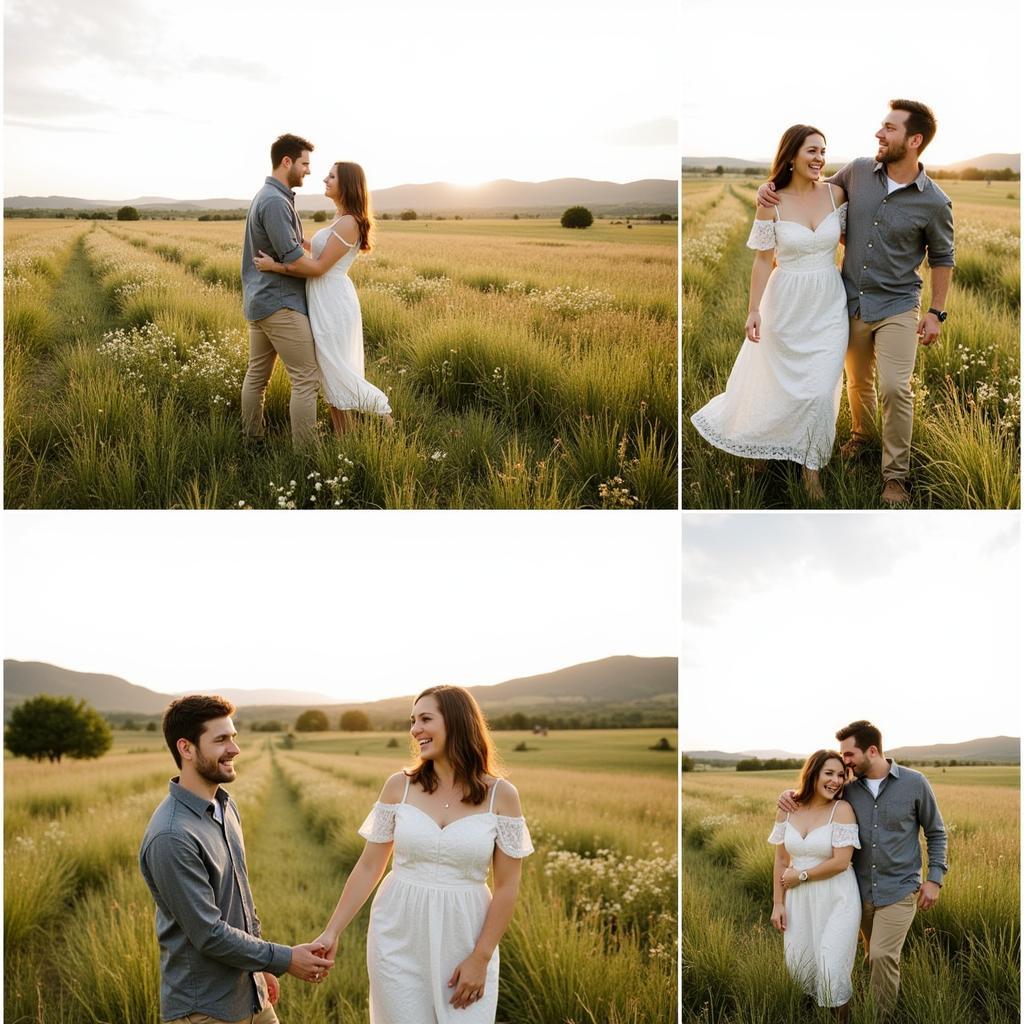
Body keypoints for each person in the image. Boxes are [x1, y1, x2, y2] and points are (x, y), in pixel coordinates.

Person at [758, 101, 956, 506]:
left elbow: (943, 257)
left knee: (895, 388)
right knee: (857, 380)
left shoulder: (935, 202)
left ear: (914, 140)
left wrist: (936, 312)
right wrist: (770, 187)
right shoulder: (859, 172)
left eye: (888, 128)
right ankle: (861, 439)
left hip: (898, 303)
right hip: (846, 299)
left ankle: (895, 478)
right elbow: (813, 194)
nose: (879, 135)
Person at [308, 685, 533, 1023]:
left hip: (465, 935)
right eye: (413, 721)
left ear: (458, 722)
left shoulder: (501, 795)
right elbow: (370, 865)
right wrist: (332, 931)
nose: (415, 730)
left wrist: (480, 957)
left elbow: (507, 886)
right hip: (398, 933)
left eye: (425, 719)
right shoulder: (398, 787)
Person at [139, 695, 333, 1024]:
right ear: (186, 749)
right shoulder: (171, 836)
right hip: (205, 1010)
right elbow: (209, 933)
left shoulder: (225, 806)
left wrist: (260, 968)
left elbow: (242, 899)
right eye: (220, 740)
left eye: (233, 737)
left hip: (251, 995)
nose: (234, 749)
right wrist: (283, 959)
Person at [691, 125, 848, 500]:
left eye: (823, 152)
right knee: (775, 382)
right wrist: (753, 310)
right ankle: (760, 450)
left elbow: (856, 239)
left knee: (820, 390)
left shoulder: (837, 193)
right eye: (811, 151)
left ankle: (812, 477)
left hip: (828, 303)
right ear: (791, 154)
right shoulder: (770, 201)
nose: (819, 158)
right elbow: (763, 260)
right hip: (785, 302)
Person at [779, 720, 948, 1016]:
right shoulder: (849, 789)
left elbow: (936, 832)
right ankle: (870, 1002)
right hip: (859, 891)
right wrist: (787, 794)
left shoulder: (914, 783)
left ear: (872, 750)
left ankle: (878, 1017)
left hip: (900, 888)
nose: (845, 763)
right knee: (873, 956)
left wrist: (934, 879)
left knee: (882, 955)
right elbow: (818, 798)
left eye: (849, 755)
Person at [254, 160, 393, 435]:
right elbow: (316, 247)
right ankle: (345, 439)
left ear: (347, 184)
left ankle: (385, 416)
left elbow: (318, 268)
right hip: (323, 300)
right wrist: (285, 237)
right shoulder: (340, 219)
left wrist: (276, 266)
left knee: (337, 369)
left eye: (331, 177)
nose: (325, 179)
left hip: (333, 303)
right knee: (330, 373)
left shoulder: (350, 223)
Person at [240, 133, 322, 450]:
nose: (309, 171)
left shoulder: (268, 196)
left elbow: (292, 247)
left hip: (261, 302)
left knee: (257, 376)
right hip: (280, 304)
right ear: (286, 162)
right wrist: (322, 267)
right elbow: (296, 261)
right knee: (306, 379)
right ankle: (307, 458)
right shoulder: (274, 202)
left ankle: (252, 442)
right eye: (305, 163)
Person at [769, 749, 860, 1021]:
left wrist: (803, 875)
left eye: (841, 775)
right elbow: (781, 859)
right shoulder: (788, 807)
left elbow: (841, 862)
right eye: (829, 773)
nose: (835, 781)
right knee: (802, 964)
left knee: (832, 966)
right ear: (813, 773)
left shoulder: (841, 810)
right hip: (799, 901)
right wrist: (778, 903)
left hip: (837, 898)